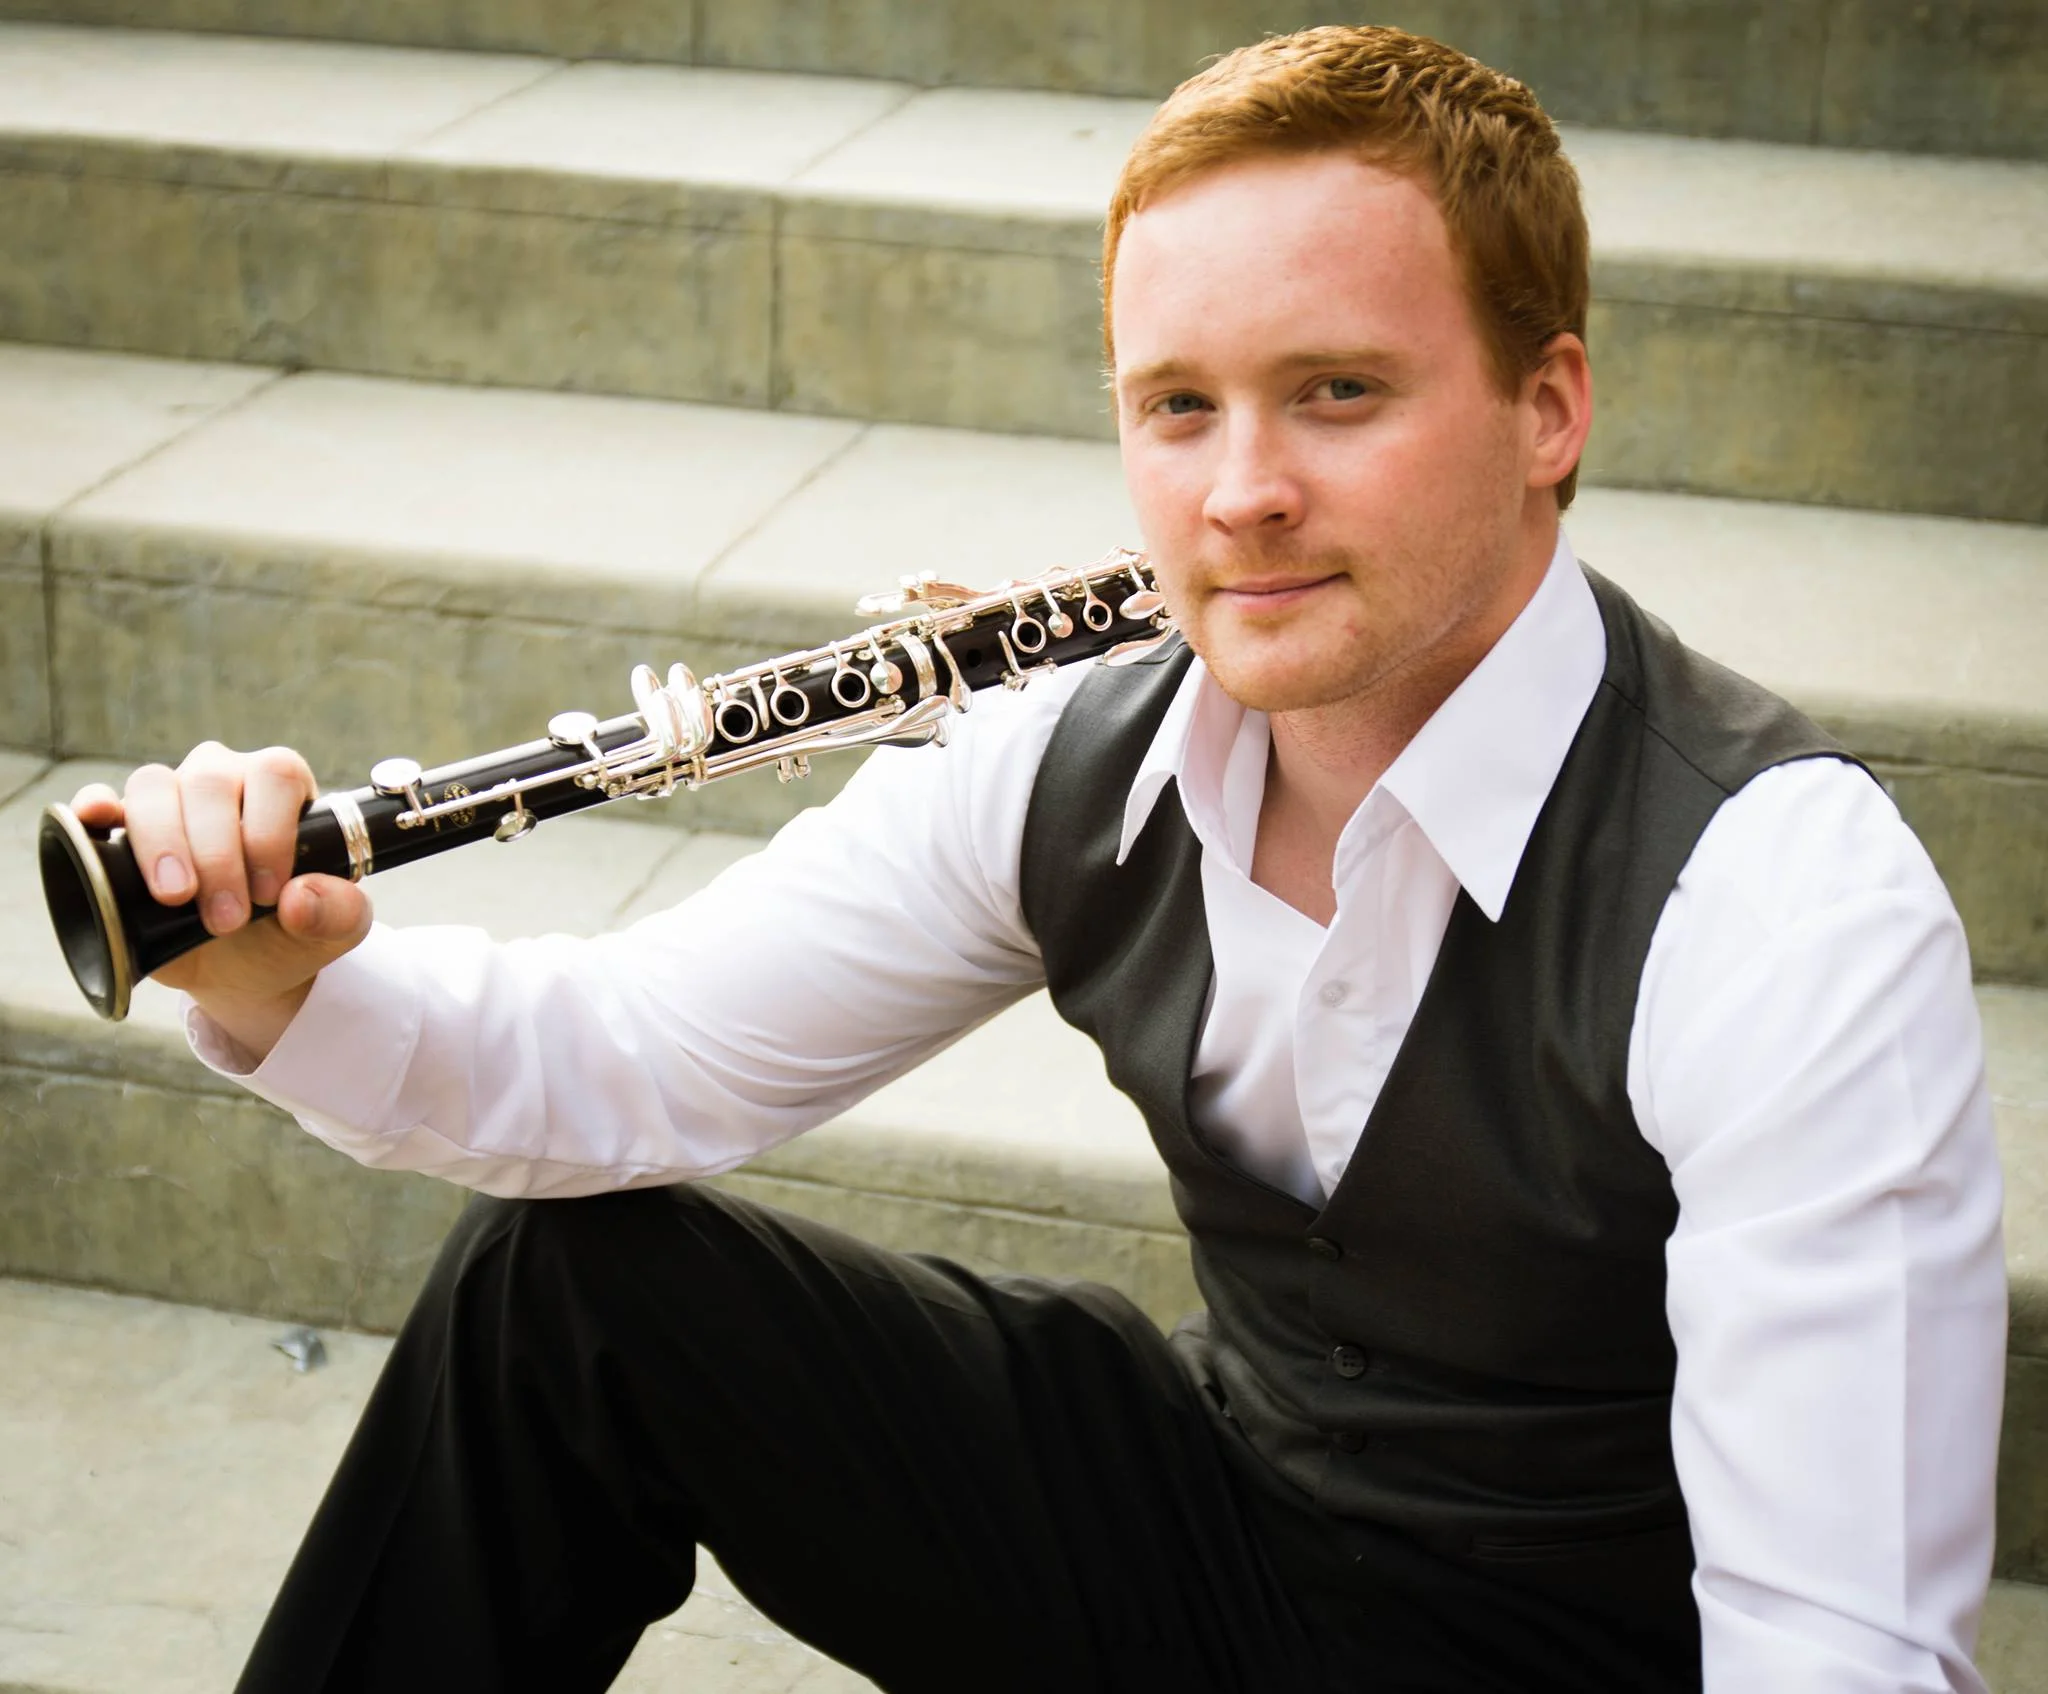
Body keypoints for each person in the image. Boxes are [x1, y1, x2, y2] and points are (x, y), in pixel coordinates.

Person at [69, 25, 2005, 1694]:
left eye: (1338, 391)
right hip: (1233, 1528)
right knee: (560, 1300)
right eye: (1178, 407)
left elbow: (1830, 1643)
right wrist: (279, 977)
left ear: (1545, 409)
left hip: (1575, 1650)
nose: (1239, 494)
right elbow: (626, 1059)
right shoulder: (1078, 750)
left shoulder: (1776, 900)